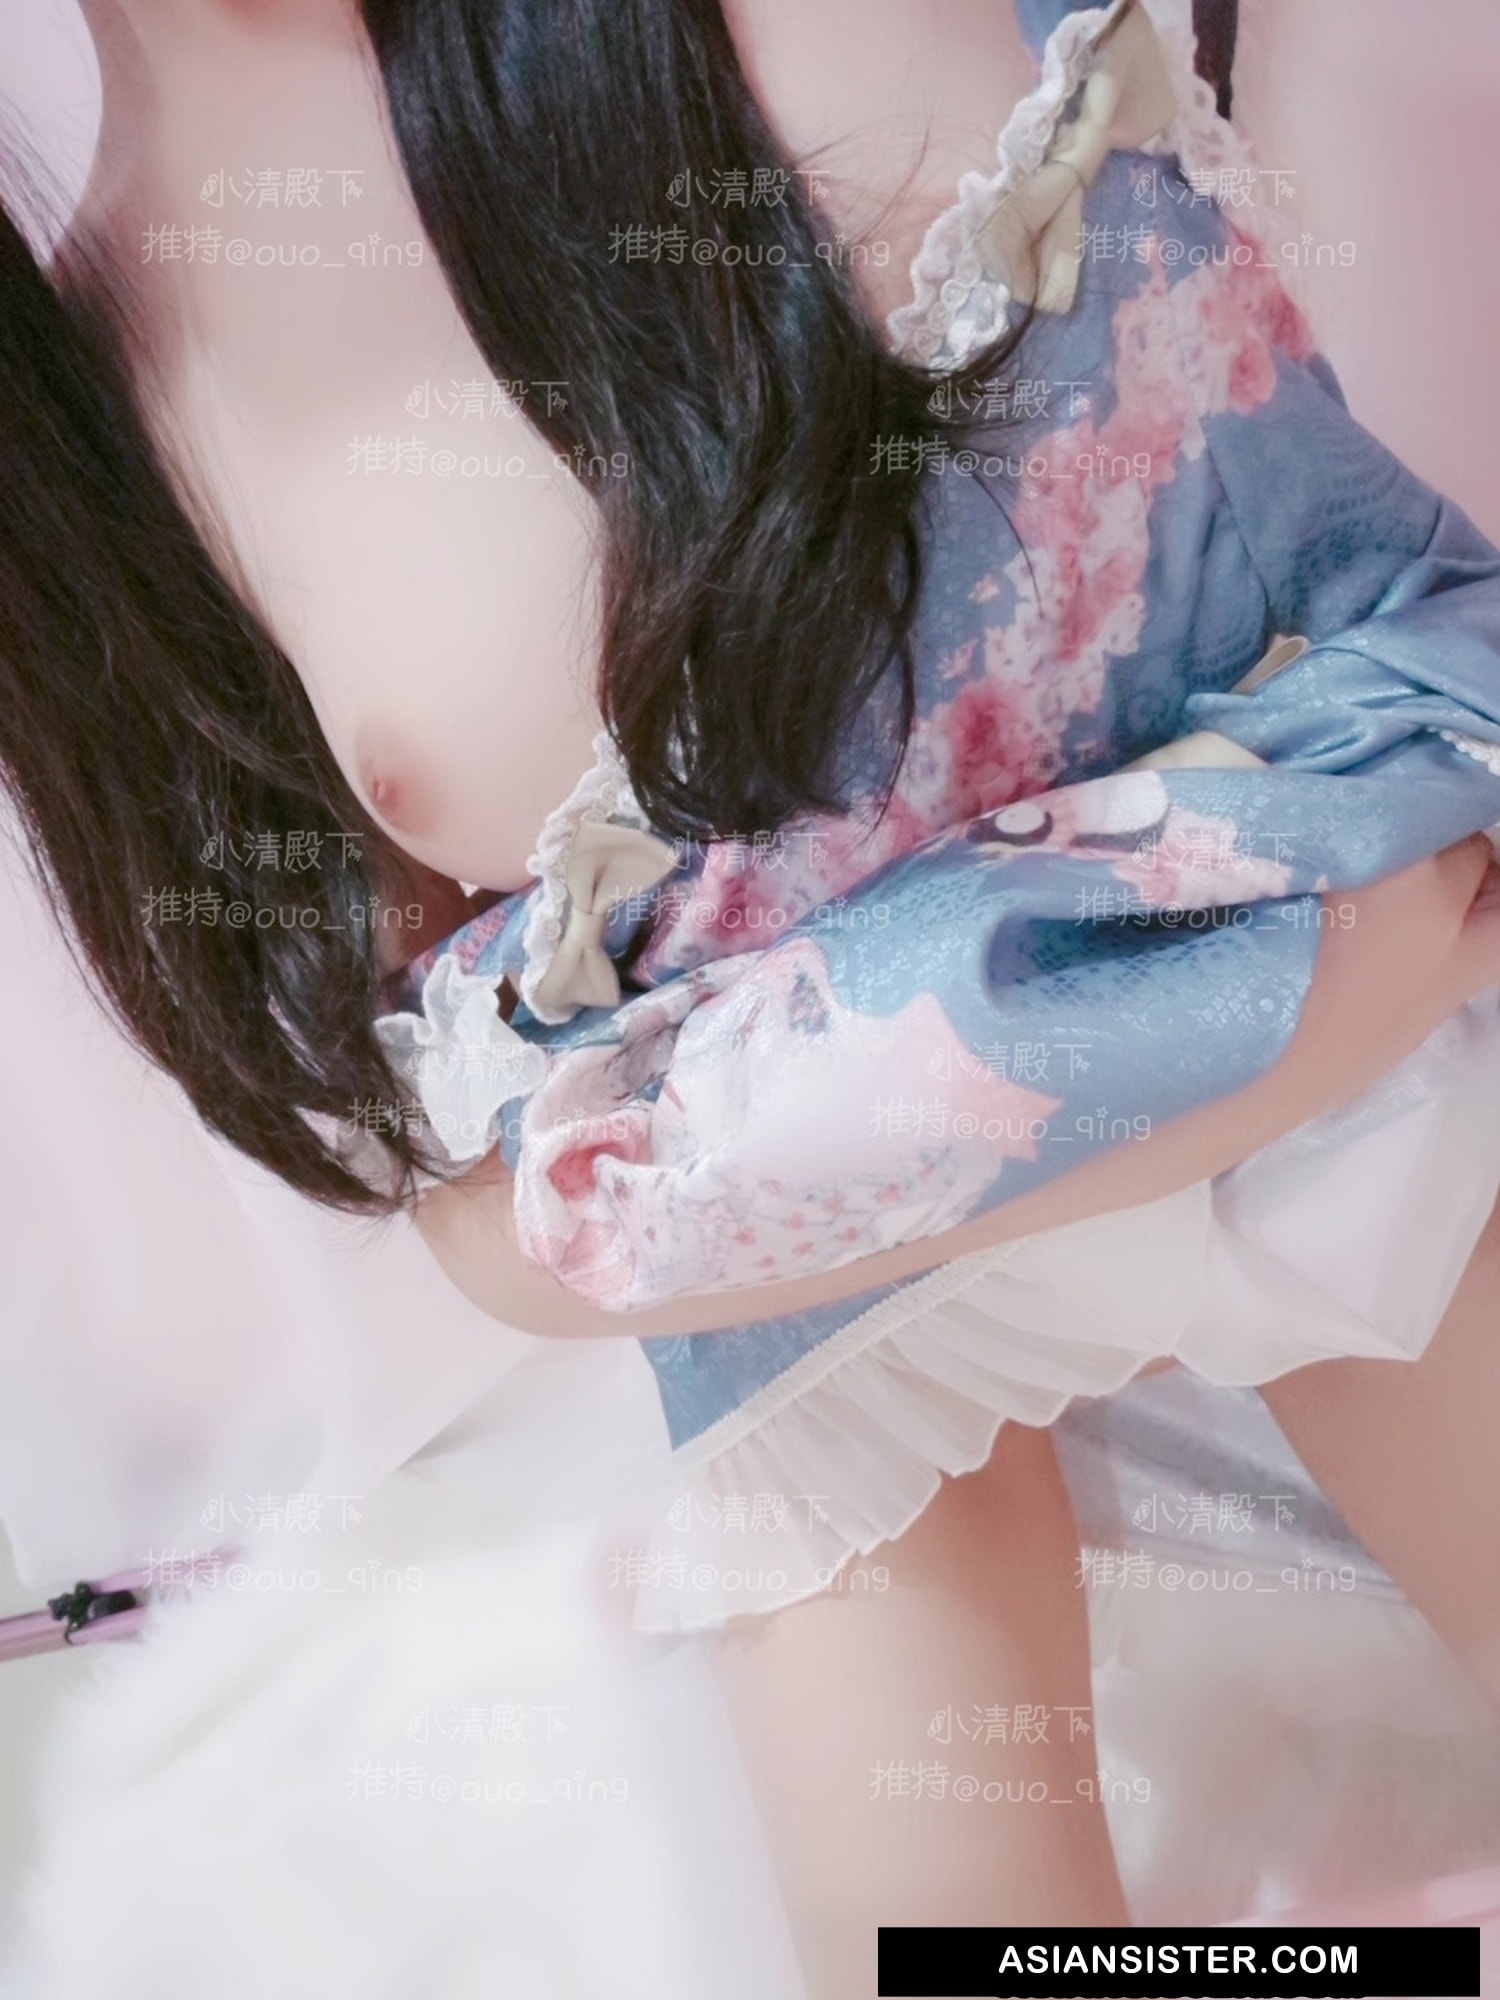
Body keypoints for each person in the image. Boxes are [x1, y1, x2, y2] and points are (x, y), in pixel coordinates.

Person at [4, 0, 1500, 1988]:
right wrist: (1220, 1051)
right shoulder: (84, 399)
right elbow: (471, 1181)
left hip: (1356, 977)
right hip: (847, 1259)